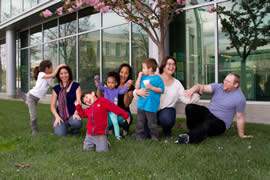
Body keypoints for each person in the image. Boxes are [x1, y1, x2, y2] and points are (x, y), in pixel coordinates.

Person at [176, 73, 253, 144]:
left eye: (228, 82)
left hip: (221, 123)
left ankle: (187, 137)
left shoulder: (240, 98)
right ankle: (194, 130)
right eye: (225, 80)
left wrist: (242, 135)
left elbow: (240, 118)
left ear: (235, 85)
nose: (224, 82)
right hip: (209, 114)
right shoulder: (218, 87)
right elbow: (200, 87)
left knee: (208, 124)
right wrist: (191, 90)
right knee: (190, 107)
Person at [135, 57, 200, 137]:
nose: (171, 66)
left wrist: (197, 93)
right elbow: (138, 91)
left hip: (165, 112)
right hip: (150, 109)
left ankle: (166, 130)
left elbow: (185, 98)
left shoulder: (177, 83)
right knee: (145, 135)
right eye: (169, 64)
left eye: (173, 64)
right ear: (163, 66)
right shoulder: (152, 78)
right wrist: (137, 92)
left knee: (166, 118)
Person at [17, 60, 65, 135]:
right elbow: (53, 75)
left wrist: (63, 70)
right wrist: (59, 67)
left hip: (36, 98)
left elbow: (54, 75)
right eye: (51, 67)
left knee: (27, 102)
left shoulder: (48, 76)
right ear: (47, 68)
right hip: (32, 97)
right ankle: (34, 130)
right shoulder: (41, 74)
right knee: (33, 114)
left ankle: (22, 95)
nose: (52, 69)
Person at [96, 64, 135, 137]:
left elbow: (126, 104)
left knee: (122, 118)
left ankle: (125, 129)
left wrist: (126, 88)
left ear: (129, 75)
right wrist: (99, 86)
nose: (123, 75)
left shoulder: (130, 87)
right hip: (110, 110)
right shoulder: (111, 83)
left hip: (123, 111)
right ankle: (110, 128)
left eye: (126, 73)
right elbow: (99, 97)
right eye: (121, 72)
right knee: (106, 118)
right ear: (118, 72)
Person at [135, 58, 164, 141]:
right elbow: (137, 87)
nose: (142, 70)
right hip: (141, 104)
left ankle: (154, 136)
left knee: (152, 123)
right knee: (140, 122)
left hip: (151, 105)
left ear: (150, 68)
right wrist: (139, 77)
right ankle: (139, 136)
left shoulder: (157, 78)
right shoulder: (143, 77)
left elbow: (161, 90)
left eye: (144, 68)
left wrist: (151, 87)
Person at [50, 66, 83, 136]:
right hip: (60, 115)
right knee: (60, 134)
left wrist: (76, 113)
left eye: (66, 73)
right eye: (61, 73)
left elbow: (79, 101)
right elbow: (52, 107)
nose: (64, 75)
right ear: (59, 76)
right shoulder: (56, 89)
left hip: (73, 113)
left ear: (69, 74)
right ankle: (64, 125)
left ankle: (75, 129)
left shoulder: (76, 86)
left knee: (76, 122)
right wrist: (57, 117)